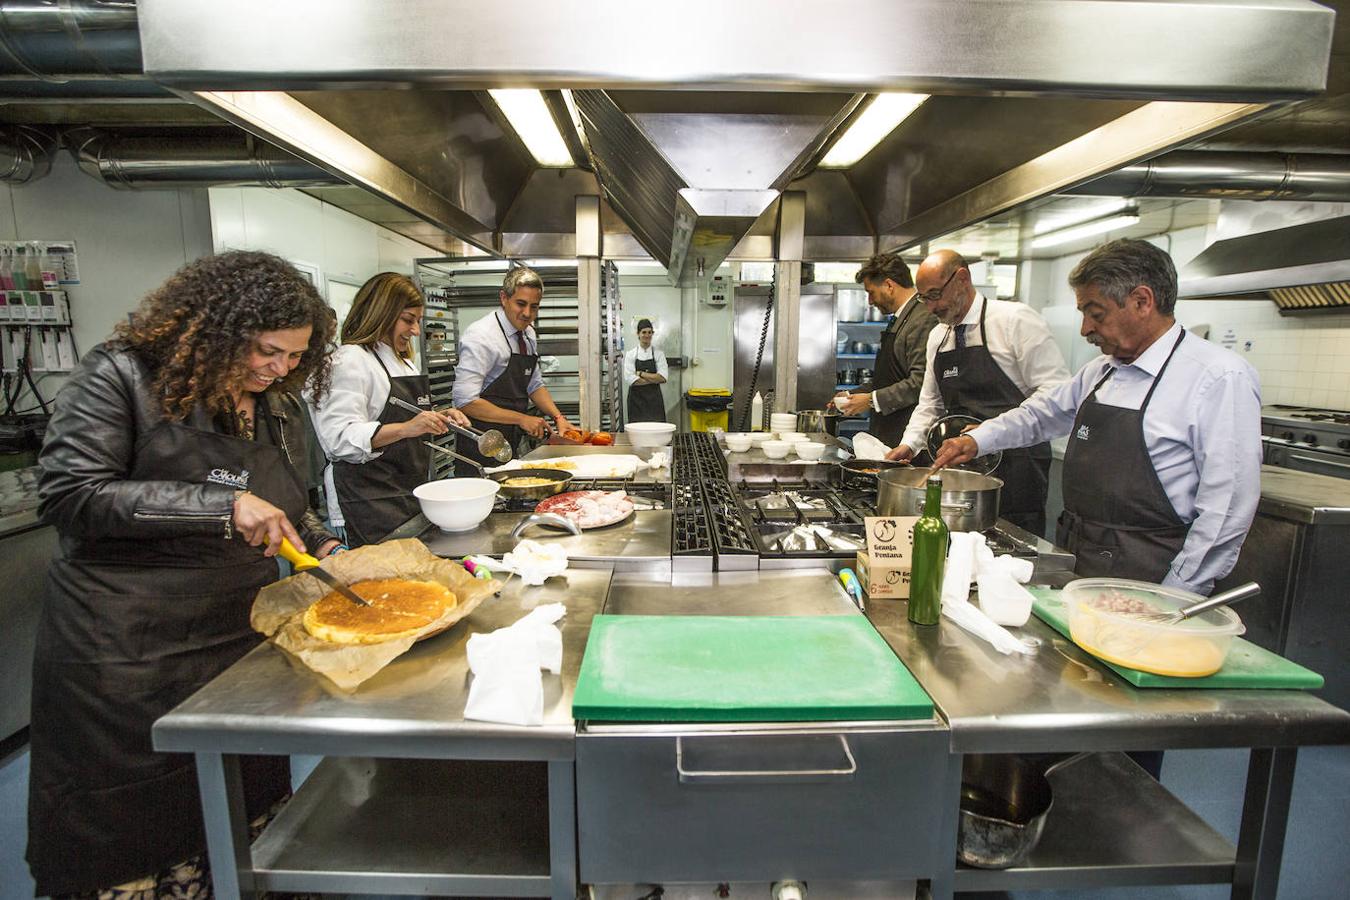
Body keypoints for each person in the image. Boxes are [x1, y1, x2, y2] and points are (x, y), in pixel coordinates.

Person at [27, 251, 340, 898]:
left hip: (235, 639)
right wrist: (218, 507)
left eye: (294, 356)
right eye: (265, 351)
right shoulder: (120, 377)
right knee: (135, 829)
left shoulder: (272, 403)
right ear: (216, 328)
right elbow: (70, 493)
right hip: (126, 650)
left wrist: (319, 544)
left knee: (243, 810)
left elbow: (282, 504)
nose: (280, 369)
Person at [930, 238, 1262, 595]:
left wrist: (1176, 594)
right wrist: (976, 439)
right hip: (1081, 557)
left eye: (1096, 313)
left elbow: (1226, 509)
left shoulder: (1218, 377)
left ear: (1142, 301)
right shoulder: (1102, 371)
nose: (1085, 328)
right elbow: (1041, 415)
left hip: (1150, 573)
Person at [887, 250, 1070, 536]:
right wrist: (910, 444)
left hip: (1017, 467)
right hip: (963, 467)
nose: (931, 308)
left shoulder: (1014, 321)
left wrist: (989, 433)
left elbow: (1056, 393)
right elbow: (931, 403)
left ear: (962, 278)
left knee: (1009, 544)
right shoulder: (939, 336)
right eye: (924, 298)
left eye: (935, 295)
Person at [306, 272, 470, 547]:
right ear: (381, 313)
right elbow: (338, 440)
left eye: (417, 321)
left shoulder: (403, 363)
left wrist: (439, 417)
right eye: (408, 320)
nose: (416, 331)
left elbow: (404, 417)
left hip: (406, 491)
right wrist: (408, 428)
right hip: (368, 500)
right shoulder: (349, 361)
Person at [452, 266, 574, 475]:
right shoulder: (481, 336)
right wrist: (521, 418)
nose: (527, 313)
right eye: (521, 304)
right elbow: (465, 400)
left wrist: (558, 417)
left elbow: (534, 384)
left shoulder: (528, 334)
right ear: (504, 298)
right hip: (480, 440)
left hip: (511, 438)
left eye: (534, 307)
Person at [831, 253, 939, 445]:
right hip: (889, 432)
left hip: (908, 438)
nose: (870, 301)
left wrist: (871, 400)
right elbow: (889, 377)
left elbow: (921, 382)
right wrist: (853, 395)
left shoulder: (922, 319)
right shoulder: (903, 317)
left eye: (871, 292)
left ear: (889, 285)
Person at [623, 317, 669, 423]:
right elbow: (631, 380)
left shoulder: (659, 354)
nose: (647, 335)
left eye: (649, 332)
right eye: (644, 332)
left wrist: (641, 374)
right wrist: (653, 378)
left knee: (656, 430)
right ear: (638, 334)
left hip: (654, 400)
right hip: (636, 401)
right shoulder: (631, 354)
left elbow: (663, 378)